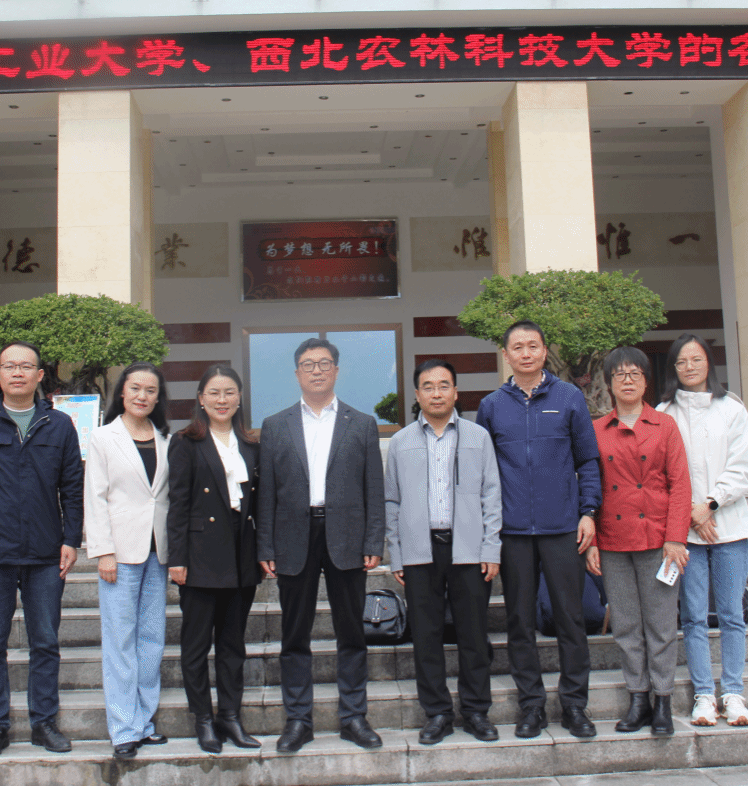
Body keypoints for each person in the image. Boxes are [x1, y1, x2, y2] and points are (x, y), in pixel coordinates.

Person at [0, 341, 84, 760]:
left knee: (45, 641)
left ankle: (44, 723)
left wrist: (71, 539)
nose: (18, 373)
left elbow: (73, 488)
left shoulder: (59, 425)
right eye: (10, 366)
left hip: (45, 554)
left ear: (40, 375)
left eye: (26, 366)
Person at [257, 337, 386, 752]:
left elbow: (374, 487)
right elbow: (266, 493)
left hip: (347, 536)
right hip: (293, 538)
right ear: (297, 373)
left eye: (324, 363)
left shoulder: (361, 423)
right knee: (294, 634)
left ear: (336, 370)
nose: (317, 370)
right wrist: (265, 546)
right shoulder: (275, 425)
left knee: (352, 633)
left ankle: (354, 717)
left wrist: (374, 539)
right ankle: (298, 721)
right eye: (309, 364)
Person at [475, 320, 602, 739]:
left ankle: (574, 705)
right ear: (506, 355)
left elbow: (588, 460)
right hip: (512, 532)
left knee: (570, 618)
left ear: (545, 351)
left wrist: (589, 512)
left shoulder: (569, 397)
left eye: (533, 346)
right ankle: (531, 706)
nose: (526, 353)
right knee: (519, 620)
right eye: (518, 347)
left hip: (563, 527)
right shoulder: (492, 405)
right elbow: (483, 473)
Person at [384, 359, 503, 745]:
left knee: (473, 634)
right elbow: (392, 501)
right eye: (428, 386)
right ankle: (436, 712)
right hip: (420, 551)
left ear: (455, 392)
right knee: (426, 636)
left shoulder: (478, 437)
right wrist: (396, 553)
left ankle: (476, 711)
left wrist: (491, 548)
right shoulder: (401, 442)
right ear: (417, 395)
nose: (436, 393)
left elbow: (491, 495)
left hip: (468, 549)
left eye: (443, 385)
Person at [585, 347, 690, 736]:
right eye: (619, 375)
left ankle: (663, 701)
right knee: (626, 625)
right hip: (613, 540)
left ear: (646, 381)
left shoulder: (665, 425)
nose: (627, 381)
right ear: (609, 383)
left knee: (661, 625)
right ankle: (638, 699)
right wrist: (592, 539)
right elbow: (591, 486)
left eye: (635, 374)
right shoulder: (597, 429)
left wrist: (675, 538)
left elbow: (680, 485)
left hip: (658, 540)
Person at [657, 333, 748, 728]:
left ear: (708, 363)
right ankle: (703, 695)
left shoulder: (732, 408)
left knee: (731, 614)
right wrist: (690, 515)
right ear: (673, 368)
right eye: (681, 361)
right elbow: (662, 474)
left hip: (729, 527)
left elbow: (741, 468)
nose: (689, 367)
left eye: (696, 359)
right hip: (684, 534)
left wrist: (709, 505)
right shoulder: (663, 413)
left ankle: (733, 693)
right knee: (693, 616)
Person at [167, 364, 262, 754]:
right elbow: (177, 503)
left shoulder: (252, 444)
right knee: (195, 645)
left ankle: (231, 717)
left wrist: (264, 553)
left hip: (242, 553)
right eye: (214, 393)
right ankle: (203, 720)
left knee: (232, 644)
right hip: (200, 555)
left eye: (229, 393)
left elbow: (261, 504)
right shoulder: (185, 442)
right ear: (201, 400)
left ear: (239, 398)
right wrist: (177, 558)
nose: (222, 400)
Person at [84, 362, 172, 761]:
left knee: (152, 639)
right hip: (119, 553)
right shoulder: (104, 438)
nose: (142, 396)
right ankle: (123, 729)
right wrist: (103, 551)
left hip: (158, 551)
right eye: (135, 388)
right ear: (122, 392)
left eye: (150, 390)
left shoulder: (167, 438)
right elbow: (95, 497)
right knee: (120, 640)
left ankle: (144, 722)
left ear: (158, 397)